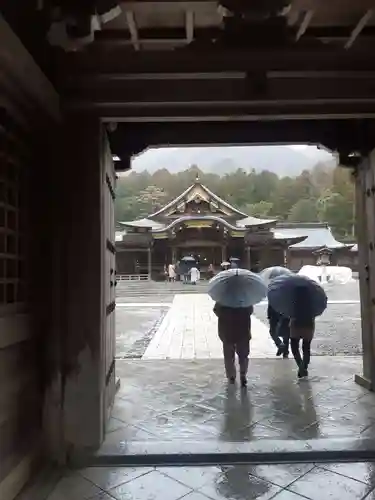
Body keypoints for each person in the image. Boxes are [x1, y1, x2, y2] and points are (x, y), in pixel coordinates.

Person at [213, 303, 253, 387]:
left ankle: (231, 376)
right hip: (243, 330)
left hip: (227, 330)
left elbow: (216, 311)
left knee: (228, 356)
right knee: (243, 355)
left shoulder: (223, 298)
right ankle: (243, 374)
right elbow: (250, 311)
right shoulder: (245, 298)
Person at [289, 287, 315, 378]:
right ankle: (304, 367)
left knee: (294, 347)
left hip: (296, 325)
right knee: (306, 348)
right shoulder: (312, 303)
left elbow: (289, 313)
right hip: (308, 325)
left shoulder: (293, 302)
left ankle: (301, 366)